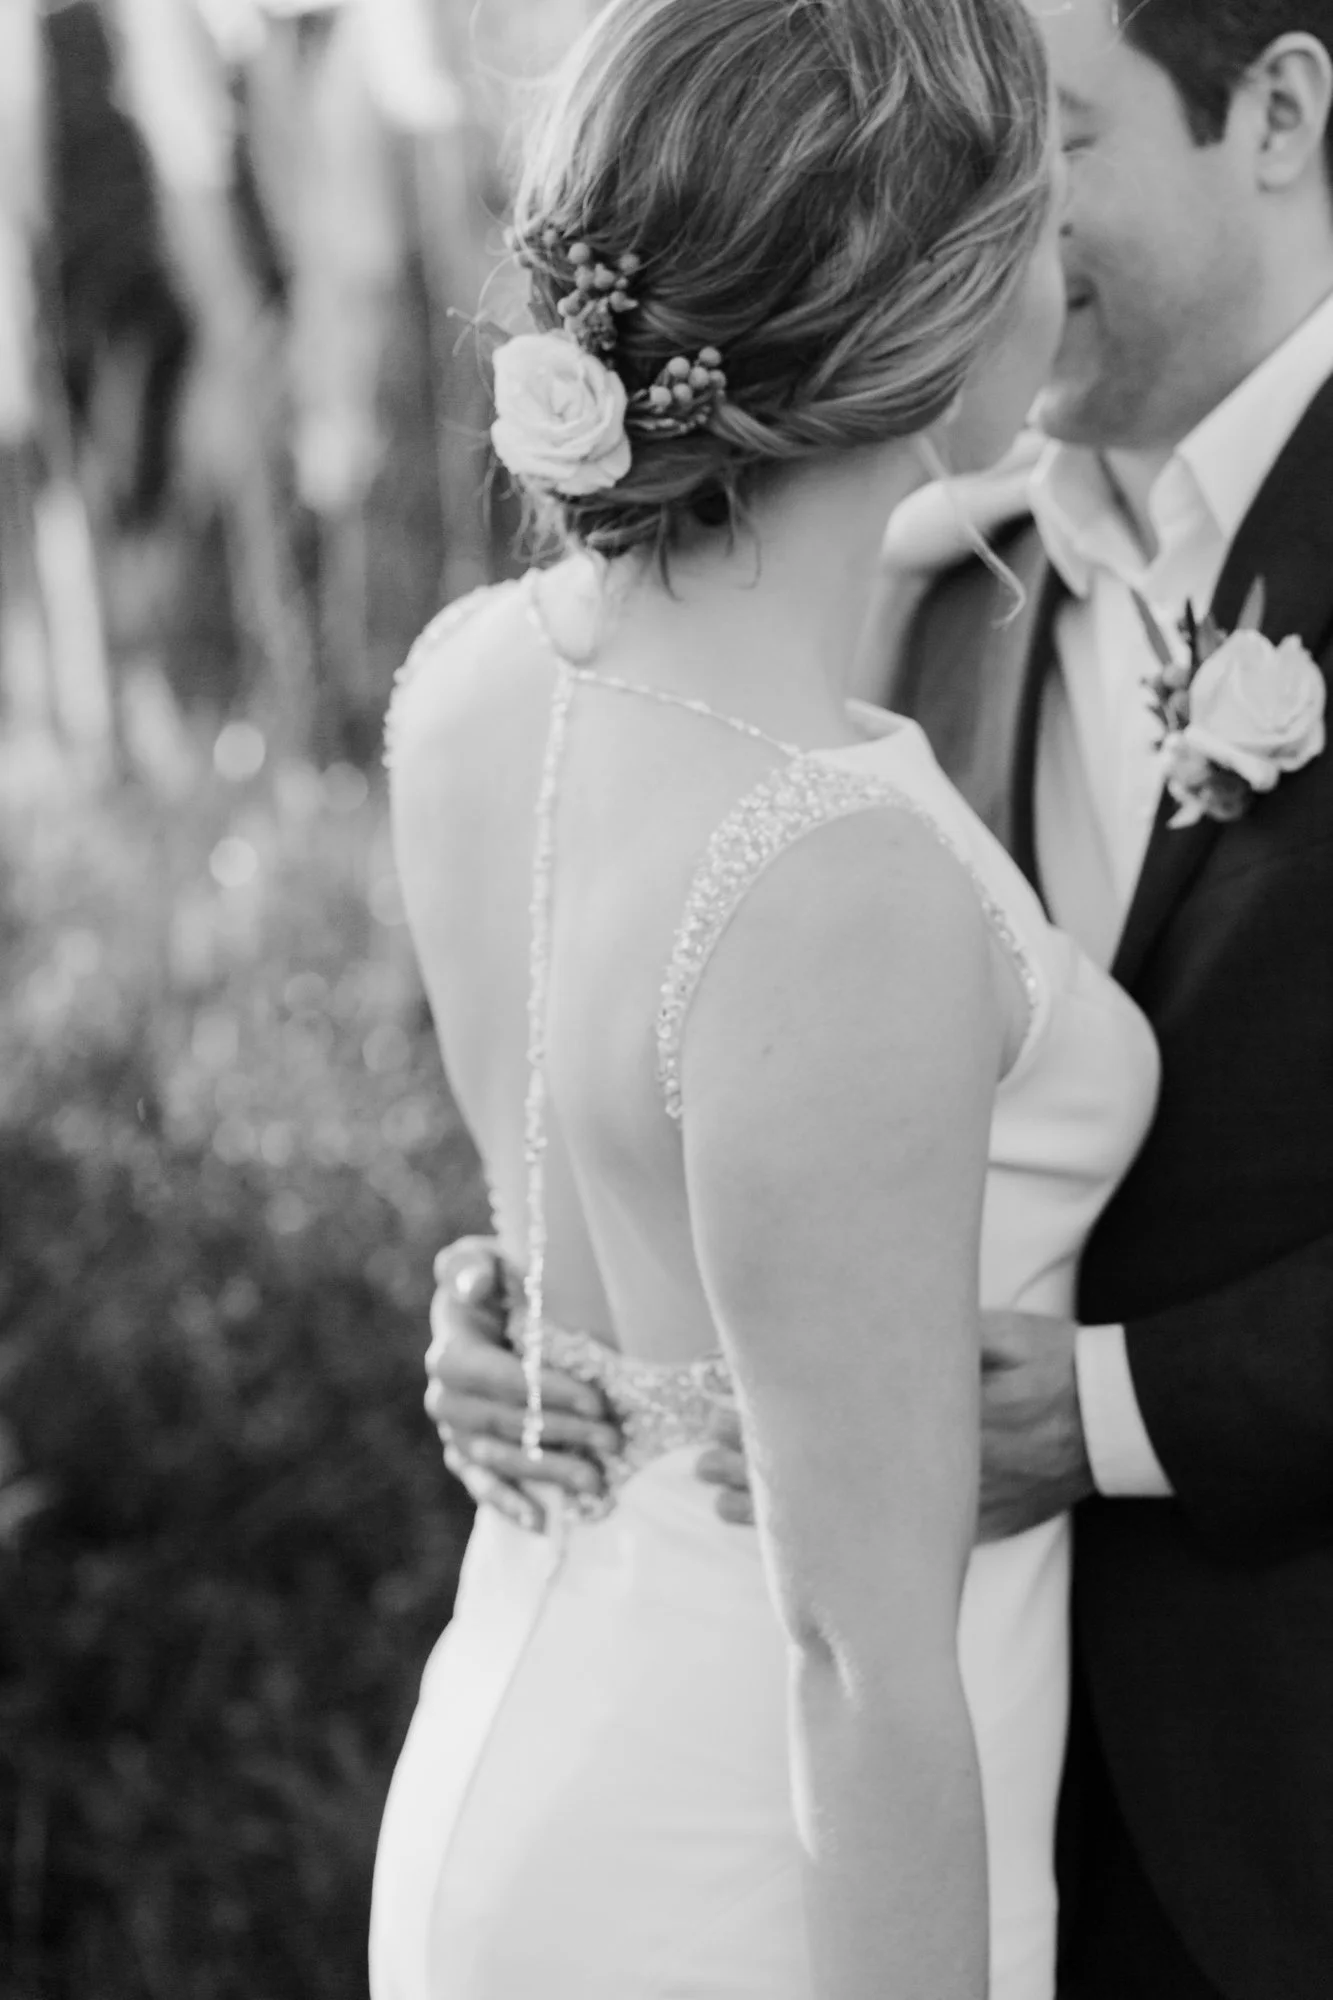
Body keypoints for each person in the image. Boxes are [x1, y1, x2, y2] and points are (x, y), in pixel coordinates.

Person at [432, 4, 1333, 1999]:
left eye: (1055, 141)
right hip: (880, 1811)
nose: (1001, 210)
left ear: (1276, 113)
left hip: (1277, 1783)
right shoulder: (905, 597)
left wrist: (1114, 1413)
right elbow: (744, 1067)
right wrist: (545, 1286)